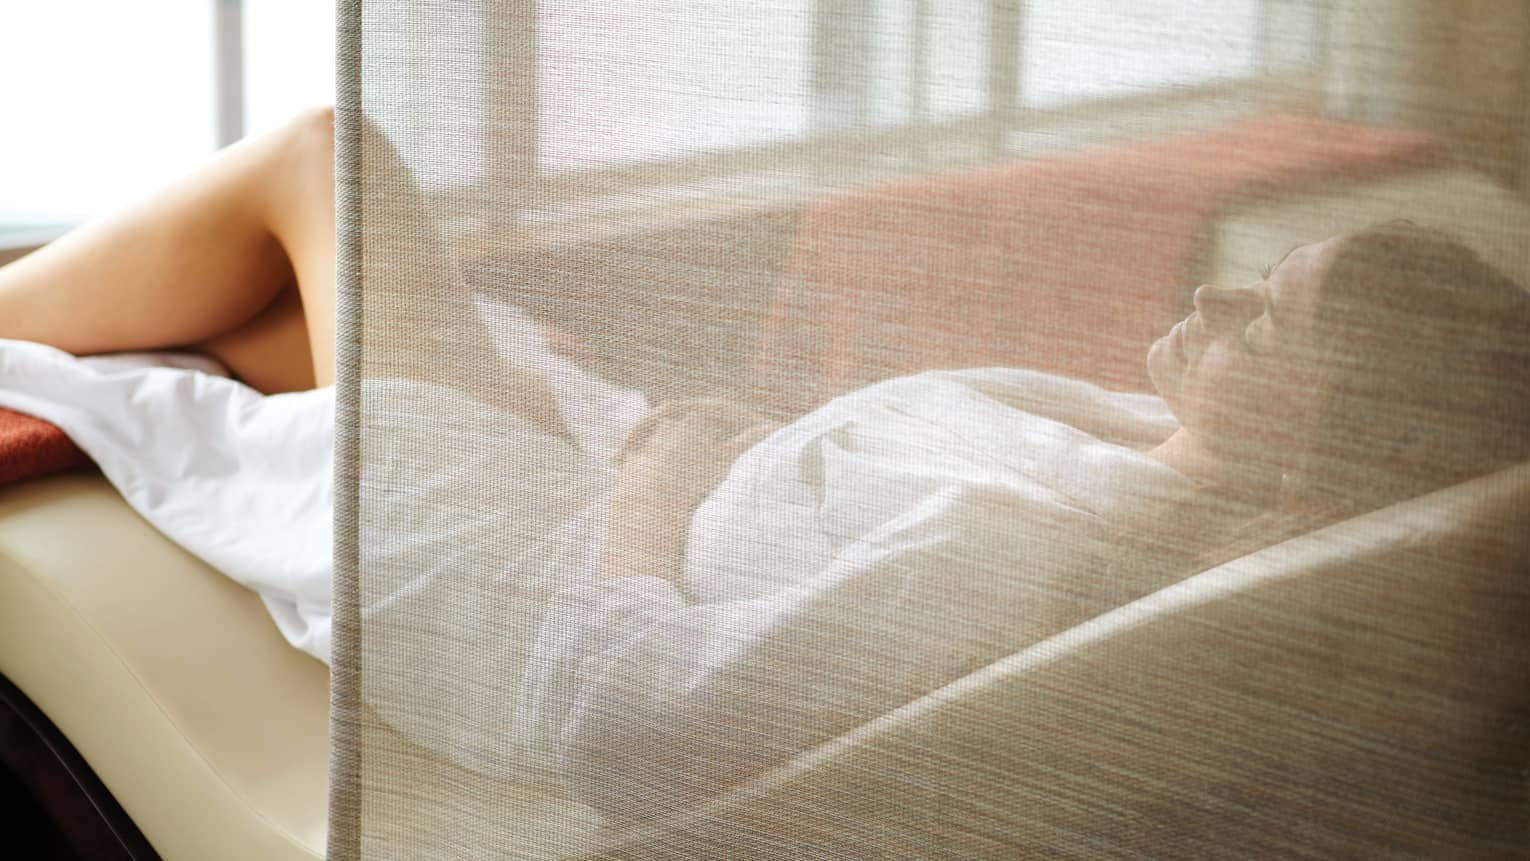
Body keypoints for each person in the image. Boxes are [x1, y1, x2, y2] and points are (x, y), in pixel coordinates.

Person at [2, 108, 1527, 822]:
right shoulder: (1136, 448)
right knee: (268, 293)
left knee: (322, 162)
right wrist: (692, 440)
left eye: (1270, 321)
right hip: (617, 475)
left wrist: (658, 495)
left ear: (1331, 444)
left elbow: (634, 733)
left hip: (519, 587)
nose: (1213, 296)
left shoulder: (1026, 536)